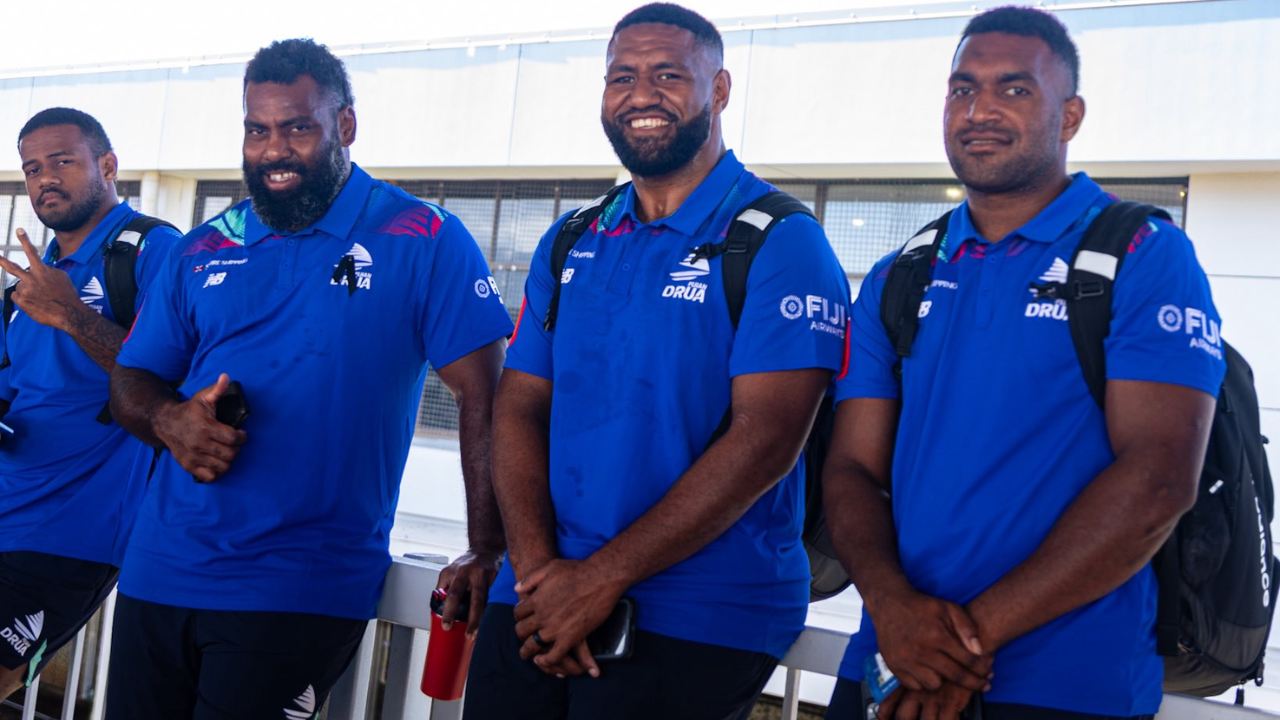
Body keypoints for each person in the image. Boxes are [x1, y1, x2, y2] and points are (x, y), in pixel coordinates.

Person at [823, 7, 1225, 720]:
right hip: (889, 665)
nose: (979, 110)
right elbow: (851, 468)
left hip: (1067, 685)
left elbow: (1160, 477)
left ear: (1069, 117)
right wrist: (892, 608)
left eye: (1014, 89)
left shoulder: (1142, 254)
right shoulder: (899, 274)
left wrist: (960, 646)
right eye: (962, 89)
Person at [104, 39, 513, 719]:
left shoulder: (423, 235)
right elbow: (133, 379)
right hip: (159, 571)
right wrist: (169, 420)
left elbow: (487, 394)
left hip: (301, 586)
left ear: (344, 125)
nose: (274, 151)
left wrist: (485, 546)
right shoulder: (204, 245)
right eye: (256, 130)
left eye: (297, 127)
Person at [463, 4, 850, 719]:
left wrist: (599, 579)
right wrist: (540, 571)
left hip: (700, 610)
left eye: (668, 75)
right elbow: (520, 405)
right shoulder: (572, 237)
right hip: (537, 597)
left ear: (720, 89)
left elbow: (766, 440)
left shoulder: (780, 240)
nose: (641, 95)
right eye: (622, 77)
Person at [0, 107, 182, 699]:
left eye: (62, 161)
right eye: (32, 168)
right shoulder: (29, 282)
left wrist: (71, 315)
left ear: (107, 166)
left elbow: (177, 386)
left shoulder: (156, 251)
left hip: (67, 535)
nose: (45, 178)